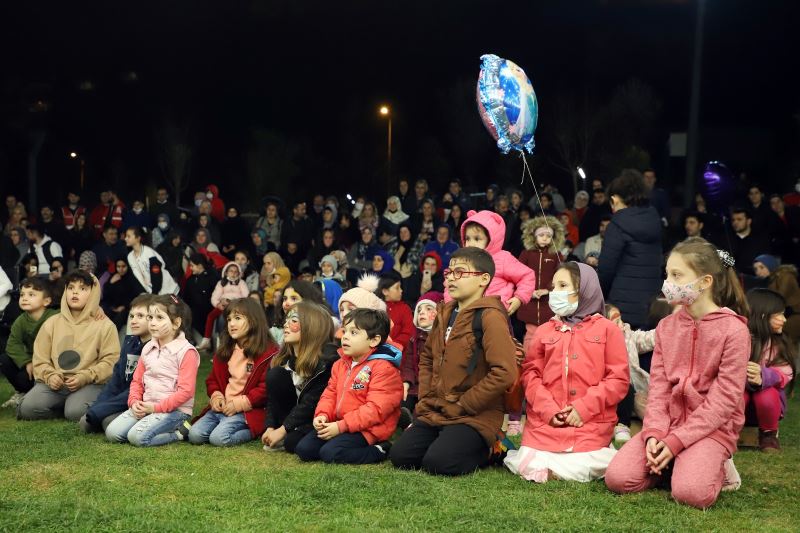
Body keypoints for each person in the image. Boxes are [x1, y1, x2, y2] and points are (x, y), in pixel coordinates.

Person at [605, 238, 751, 509]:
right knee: (617, 478)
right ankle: (674, 465)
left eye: (677, 275)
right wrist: (654, 434)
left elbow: (724, 401)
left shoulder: (735, 331)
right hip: (667, 425)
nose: (668, 283)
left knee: (691, 494)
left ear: (705, 282)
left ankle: (715, 467)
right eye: (667, 274)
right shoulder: (666, 327)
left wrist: (676, 441)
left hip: (710, 430)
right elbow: (658, 389)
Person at [390, 247, 518, 475]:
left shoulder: (490, 316)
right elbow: (427, 357)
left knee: (439, 463)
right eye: (449, 272)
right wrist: (427, 397)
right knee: (401, 457)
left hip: (474, 414)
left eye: (460, 272)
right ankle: (446, 439)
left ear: (483, 279)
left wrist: (464, 404)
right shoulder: (445, 312)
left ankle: (494, 447)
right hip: (438, 409)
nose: (450, 278)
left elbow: (504, 372)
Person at [505, 262, 629, 483]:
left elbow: (618, 380)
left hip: (589, 424)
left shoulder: (608, 330)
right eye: (553, 287)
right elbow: (530, 375)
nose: (555, 293)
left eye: (563, 286)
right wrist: (548, 409)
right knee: (529, 460)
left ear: (584, 290)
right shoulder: (543, 330)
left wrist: (583, 408)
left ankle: (563, 468)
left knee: (595, 461)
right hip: (546, 424)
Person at [295, 308, 402, 464]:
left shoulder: (383, 368)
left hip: (368, 429)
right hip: (341, 424)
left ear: (374, 340)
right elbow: (330, 394)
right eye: (344, 331)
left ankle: (379, 449)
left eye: (354, 333)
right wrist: (323, 415)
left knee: (330, 453)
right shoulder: (340, 364)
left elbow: (375, 410)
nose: (345, 336)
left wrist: (341, 426)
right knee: (304, 450)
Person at [18, 271, 121, 421]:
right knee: (28, 408)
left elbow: (110, 362)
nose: (75, 292)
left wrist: (85, 377)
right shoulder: (52, 323)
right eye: (71, 288)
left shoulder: (105, 325)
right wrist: (51, 375)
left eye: (82, 288)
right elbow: (40, 358)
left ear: (93, 293)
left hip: (89, 383)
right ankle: (62, 407)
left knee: (75, 412)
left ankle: (71, 406)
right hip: (56, 384)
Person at [104, 295, 199, 446]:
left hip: (174, 412)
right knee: (112, 433)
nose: (152, 323)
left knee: (137, 438)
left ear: (176, 323)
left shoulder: (187, 352)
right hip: (146, 406)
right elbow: (137, 381)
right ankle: (149, 425)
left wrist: (155, 408)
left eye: (159, 318)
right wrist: (134, 402)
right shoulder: (148, 347)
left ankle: (179, 433)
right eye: (150, 317)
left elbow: (186, 392)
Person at [190, 298, 278, 446]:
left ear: (254, 320)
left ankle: (255, 429)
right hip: (223, 407)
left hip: (248, 411)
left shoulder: (268, 352)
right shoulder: (226, 350)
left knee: (218, 438)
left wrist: (238, 404)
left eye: (237, 318)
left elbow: (264, 389)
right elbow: (212, 380)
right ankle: (223, 424)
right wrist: (216, 396)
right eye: (229, 319)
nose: (231, 324)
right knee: (195, 435)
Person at [262, 301, 338, 452]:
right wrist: (270, 426)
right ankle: (287, 432)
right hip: (291, 418)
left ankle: (291, 433)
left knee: (294, 444)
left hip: (315, 419)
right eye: (286, 319)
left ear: (312, 326)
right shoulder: (282, 360)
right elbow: (272, 399)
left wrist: (283, 430)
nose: (285, 324)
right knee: (275, 375)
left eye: (294, 320)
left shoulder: (327, 362)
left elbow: (310, 403)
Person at [598, 170, 664, 329]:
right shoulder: (654, 219)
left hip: (622, 307)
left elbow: (606, 270)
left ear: (615, 198)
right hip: (652, 305)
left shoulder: (618, 224)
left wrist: (601, 297)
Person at [80, 294, 154, 433]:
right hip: (121, 400)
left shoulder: (155, 348)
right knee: (86, 423)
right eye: (131, 316)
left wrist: (104, 408)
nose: (133, 321)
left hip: (139, 402)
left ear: (153, 319)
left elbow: (141, 389)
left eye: (140, 316)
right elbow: (116, 380)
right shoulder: (129, 342)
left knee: (106, 422)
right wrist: (100, 404)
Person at [445, 210, 536, 317]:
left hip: (494, 313)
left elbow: (527, 276)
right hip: (466, 314)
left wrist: (519, 298)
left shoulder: (502, 258)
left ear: (491, 240)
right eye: (467, 239)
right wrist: (450, 307)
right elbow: (450, 285)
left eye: (477, 239)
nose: (470, 243)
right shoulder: (461, 261)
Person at [744, 288, 796, 452]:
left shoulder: (779, 343)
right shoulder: (738, 338)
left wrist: (763, 376)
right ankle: (726, 432)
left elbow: (785, 372)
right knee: (738, 394)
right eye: (779, 315)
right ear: (762, 316)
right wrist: (745, 376)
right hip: (737, 408)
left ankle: (768, 434)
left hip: (767, 410)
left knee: (766, 395)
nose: (784, 320)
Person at [0, 278, 57, 408]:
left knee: (25, 378)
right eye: (22, 295)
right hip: (32, 362)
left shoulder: (55, 316)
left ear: (46, 301)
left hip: (51, 363)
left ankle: (40, 393)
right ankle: (21, 392)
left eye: (31, 295)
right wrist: (27, 362)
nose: (24, 298)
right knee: (5, 360)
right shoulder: (20, 321)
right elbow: (12, 345)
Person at [517, 216, 564, 354]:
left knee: (548, 334)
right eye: (541, 235)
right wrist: (528, 291)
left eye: (548, 236)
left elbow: (560, 275)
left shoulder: (556, 255)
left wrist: (548, 290)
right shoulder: (526, 254)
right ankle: (527, 361)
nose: (545, 238)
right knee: (530, 334)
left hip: (548, 303)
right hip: (530, 303)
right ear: (534, 236)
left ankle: (545, 360)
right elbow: (519, 274)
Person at [398, 291, 443, 429]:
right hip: (415, 385)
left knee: (422, 408)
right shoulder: (415, 338)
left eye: (428, 309)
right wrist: (406, 382)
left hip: (432, 387)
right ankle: (405, 418)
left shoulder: (443, 338)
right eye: (419, 310)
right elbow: (408, 364)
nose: (422, 312)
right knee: (403, 400)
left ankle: (415, 424)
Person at [198, 262, 250, 351]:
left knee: (227, 318)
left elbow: (246, 295)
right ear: (226, 272)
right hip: (222, 306)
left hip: (236, 306)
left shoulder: (241, 283)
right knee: (210, 316)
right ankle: (207, 339)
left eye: (236, 272)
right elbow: (215, 296)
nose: (233, 273)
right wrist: (217, 304)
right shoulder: (221, 283)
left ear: (239, 273)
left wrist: (234, 302)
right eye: (231, 271)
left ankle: (231, 342)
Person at [752, 255, 800, 344]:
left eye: (762, 267)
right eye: (756, 269)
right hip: (786, 315)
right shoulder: (773, 279)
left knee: (781, 343)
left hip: (794, 315)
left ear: (770, 265)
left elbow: (779, 297)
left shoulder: (785, 276)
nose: (758, 272)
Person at [125, 227, 179, 296]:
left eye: (128, 236)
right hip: (152, 294)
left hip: (168, 290)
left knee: (176, 302)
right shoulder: (130, 257)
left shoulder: (149, 253)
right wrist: (143, 292)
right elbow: (137, 277)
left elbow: (156, 276)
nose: (125, 238)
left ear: (138, 238)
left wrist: (154, 293)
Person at [181, 253, 216, 343]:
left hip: (207, 311)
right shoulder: (191, 280)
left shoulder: (212, 277)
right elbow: (185, 297)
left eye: (192, 266)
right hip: (193, 313)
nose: (190, 268)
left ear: (200, 265)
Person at [102, 257, 145, 330]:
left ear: (128, 266)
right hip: (112, 307)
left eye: (123, 266)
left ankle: (111, 334)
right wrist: (111, 283)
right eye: (118, 267)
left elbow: (136, 296)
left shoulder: (132, 279)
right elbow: (106, 295)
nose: (121, 269)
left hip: (126, 308)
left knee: (119, 318)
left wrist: (124, 306)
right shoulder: (113, 277)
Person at [377, 272, 415, 352]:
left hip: (397, 353)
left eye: (400, 287)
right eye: (397, 288)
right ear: (385, 291)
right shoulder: (375, 307)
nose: (401, 290)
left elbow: (408, 332)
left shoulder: (405, 309)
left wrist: (391, 347)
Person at [729, 208, 764, 276]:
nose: (735, 222)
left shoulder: (760, 239)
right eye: (733, 220)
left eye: (739, 219)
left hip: (757, 276)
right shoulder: (729, 240)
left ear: (749, 221)